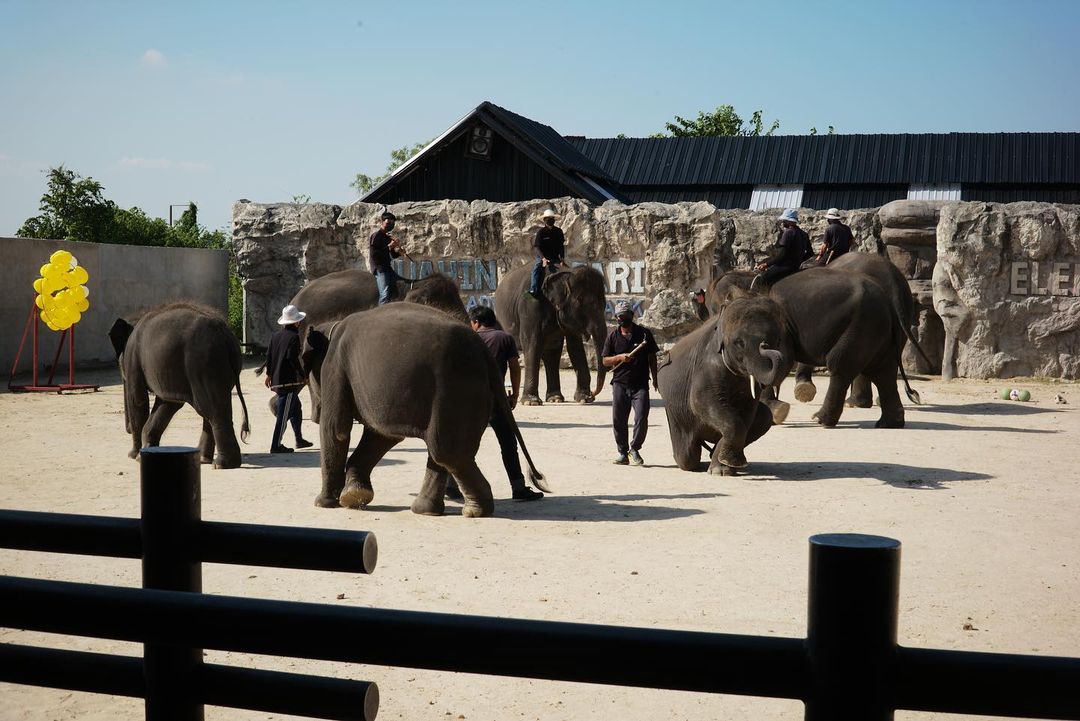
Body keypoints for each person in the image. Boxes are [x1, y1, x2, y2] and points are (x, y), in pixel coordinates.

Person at [463, 306, 544, 501]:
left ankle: (453, 485)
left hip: (470, 401)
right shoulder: (505, 338)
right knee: (508, 445)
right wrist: (515, 395)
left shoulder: (467, 339)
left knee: (463, 444)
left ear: (476, 322)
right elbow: (515, 368)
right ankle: (518, 487)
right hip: (497, 400)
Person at [601, 300, 660, 466]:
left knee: (641, 417)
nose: (622, 320)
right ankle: (622, 452)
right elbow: (605, 360)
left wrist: (655, 378)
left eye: (625, 317)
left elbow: (652, 358)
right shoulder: (612, 336)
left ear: (631, 316)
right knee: (618, 419)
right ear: (616, 318)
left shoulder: (644, 334)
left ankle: (635, 448)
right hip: (620, 384)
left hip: (640, 384)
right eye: (620, 317)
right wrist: (620, 357)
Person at [264, 304, 313, 453]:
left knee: (296, 408)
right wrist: (303, 375)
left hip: (277, 379)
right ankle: (275, 445)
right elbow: (292, 358)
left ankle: (299, 439)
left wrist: (269, 374)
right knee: (283, 415)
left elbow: (269, 357)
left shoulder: (275, 336)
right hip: (288, 382)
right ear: (296, 322)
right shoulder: (294, 337)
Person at [755, 208, 813, 285]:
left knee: (762, 279)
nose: (783, 222)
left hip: (784, 267)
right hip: (795, 267)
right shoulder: (804, 234)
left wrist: (766, 264)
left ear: (788, 221)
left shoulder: (788, 233)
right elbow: (810, 253)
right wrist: (798, 261)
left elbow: (781, 255)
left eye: (784, 220)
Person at [369, 211, 406, 305]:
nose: (390, 225)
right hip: (380, 268)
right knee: (384, 294)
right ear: (381, 222)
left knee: (399, 286)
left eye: (393, 223)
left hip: (388, 268)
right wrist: (390, 246)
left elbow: (392, 255)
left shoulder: (388, 237)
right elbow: (374, 255)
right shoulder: (376, 235)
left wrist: (400, 252)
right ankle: (379, 315)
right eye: (388, 223)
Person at [527, 208, 565, 298]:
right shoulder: (541, 232)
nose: (550, 220)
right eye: (547, 219)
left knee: (566, 271)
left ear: (554, 220)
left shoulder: (559, 232)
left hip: (555, 257)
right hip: (543, 257)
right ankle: (534, 289)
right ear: (544, 220)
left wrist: (562, 258)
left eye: (551, 218)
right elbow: (537, 247)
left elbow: (561, 246)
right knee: (536, 269)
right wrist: (543, 258)